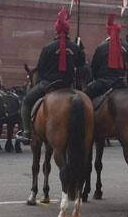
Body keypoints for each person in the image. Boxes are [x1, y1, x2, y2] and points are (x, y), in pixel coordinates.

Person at [19, 7, 85, 143]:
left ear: (56, 30)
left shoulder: (48, 47)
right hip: (68, 85)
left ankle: (26, 132)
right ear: (68, 30)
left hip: (48, 84)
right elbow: (81, 64)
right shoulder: (74, 47)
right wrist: (76, 48)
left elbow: (41, 69)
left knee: (26, 102)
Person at [85, 14, 128, 100]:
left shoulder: (101, 47)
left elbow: (94, 67)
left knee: (84, 96)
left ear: (107, 31)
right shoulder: (125, 47)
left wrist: (96, 78)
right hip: (120, 83)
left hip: (103, 83)